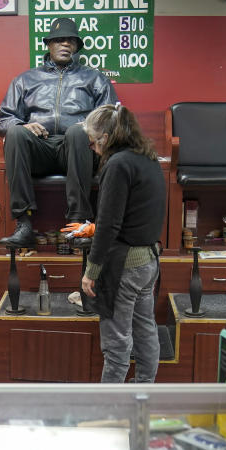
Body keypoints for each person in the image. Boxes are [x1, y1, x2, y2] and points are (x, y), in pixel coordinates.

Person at [0, 17, 118, 248]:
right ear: (49, 44)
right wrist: (22, 125)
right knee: (15, 133)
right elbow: (3, 120)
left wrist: (89, 128)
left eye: (71, 41)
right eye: (59, 40)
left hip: (79, 150)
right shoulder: (25, 79)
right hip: (39, 150)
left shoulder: (94, 79)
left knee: (77, 131)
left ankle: (78, 223)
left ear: (76, 47)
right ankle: (24, 224)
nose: (65, 45)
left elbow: (111, 119)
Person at [80, 104, 165, 383]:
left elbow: (108, 225)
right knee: (145, 331)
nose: (92, 148)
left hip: (125, 266)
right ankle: (142, 394)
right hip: (149, 262)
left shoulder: (117, 165)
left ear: (105, 137)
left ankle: (110, 410)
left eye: (93, 141)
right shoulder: (148, 158)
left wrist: (91, 271)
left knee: (116, 344)